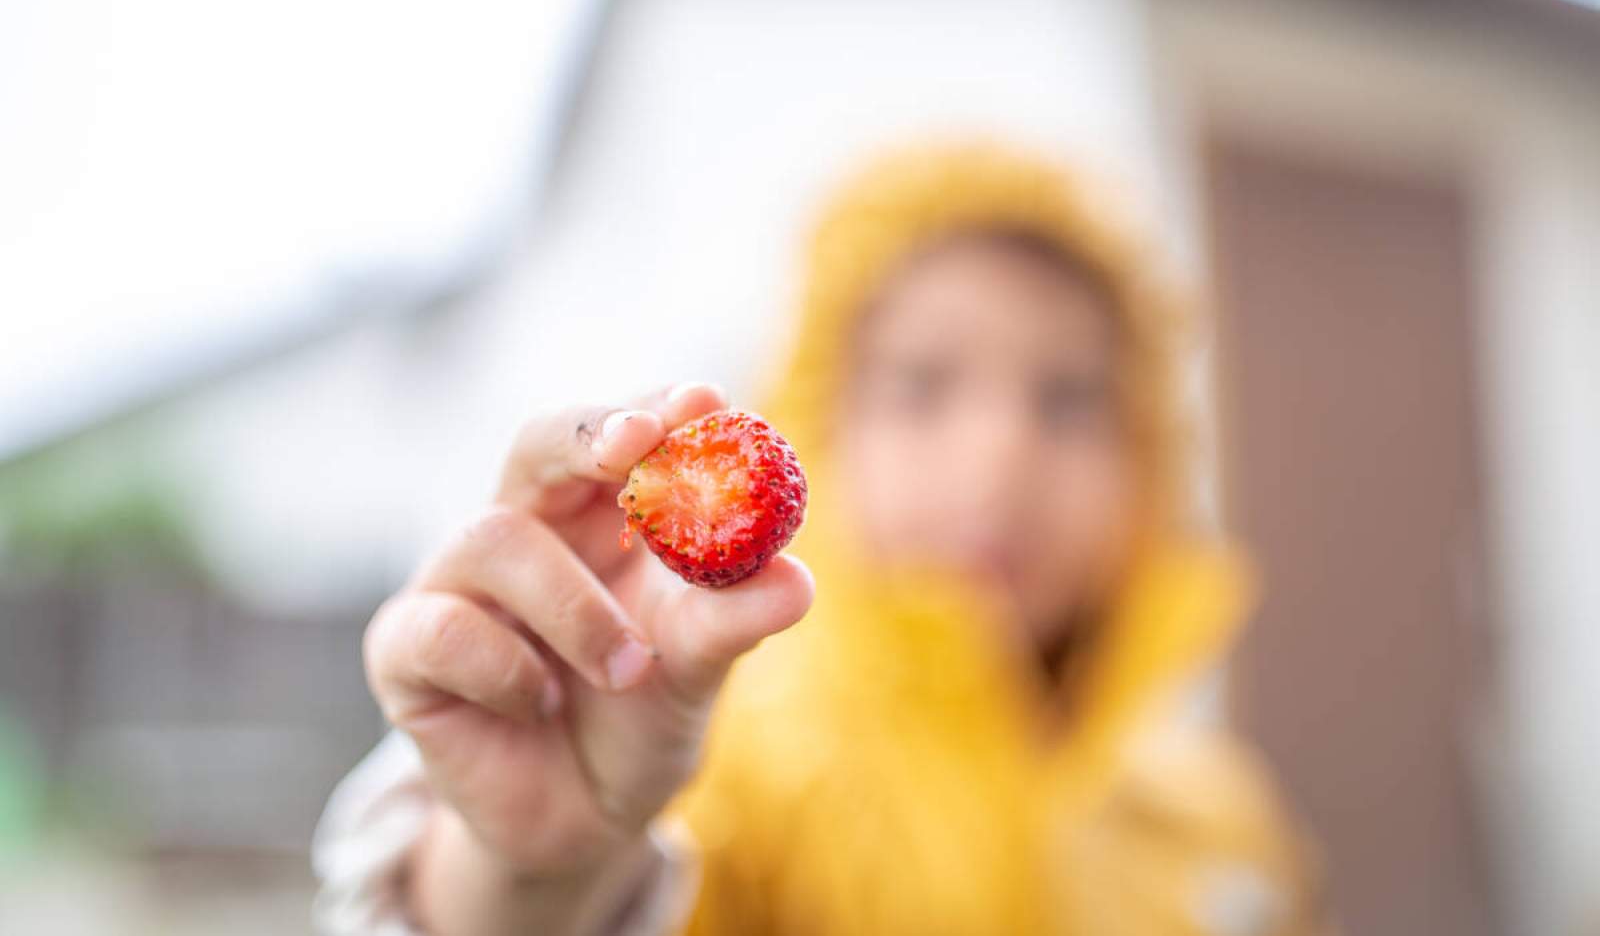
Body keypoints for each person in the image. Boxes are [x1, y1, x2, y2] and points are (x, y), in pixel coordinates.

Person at [313, 141, 1332, 935]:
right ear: (822, 420)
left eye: (1067, 400)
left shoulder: (1220, 818)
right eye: (922, 384)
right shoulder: (715, 778)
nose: (999, 456)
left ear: (1152, 457)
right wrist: (530, 873)